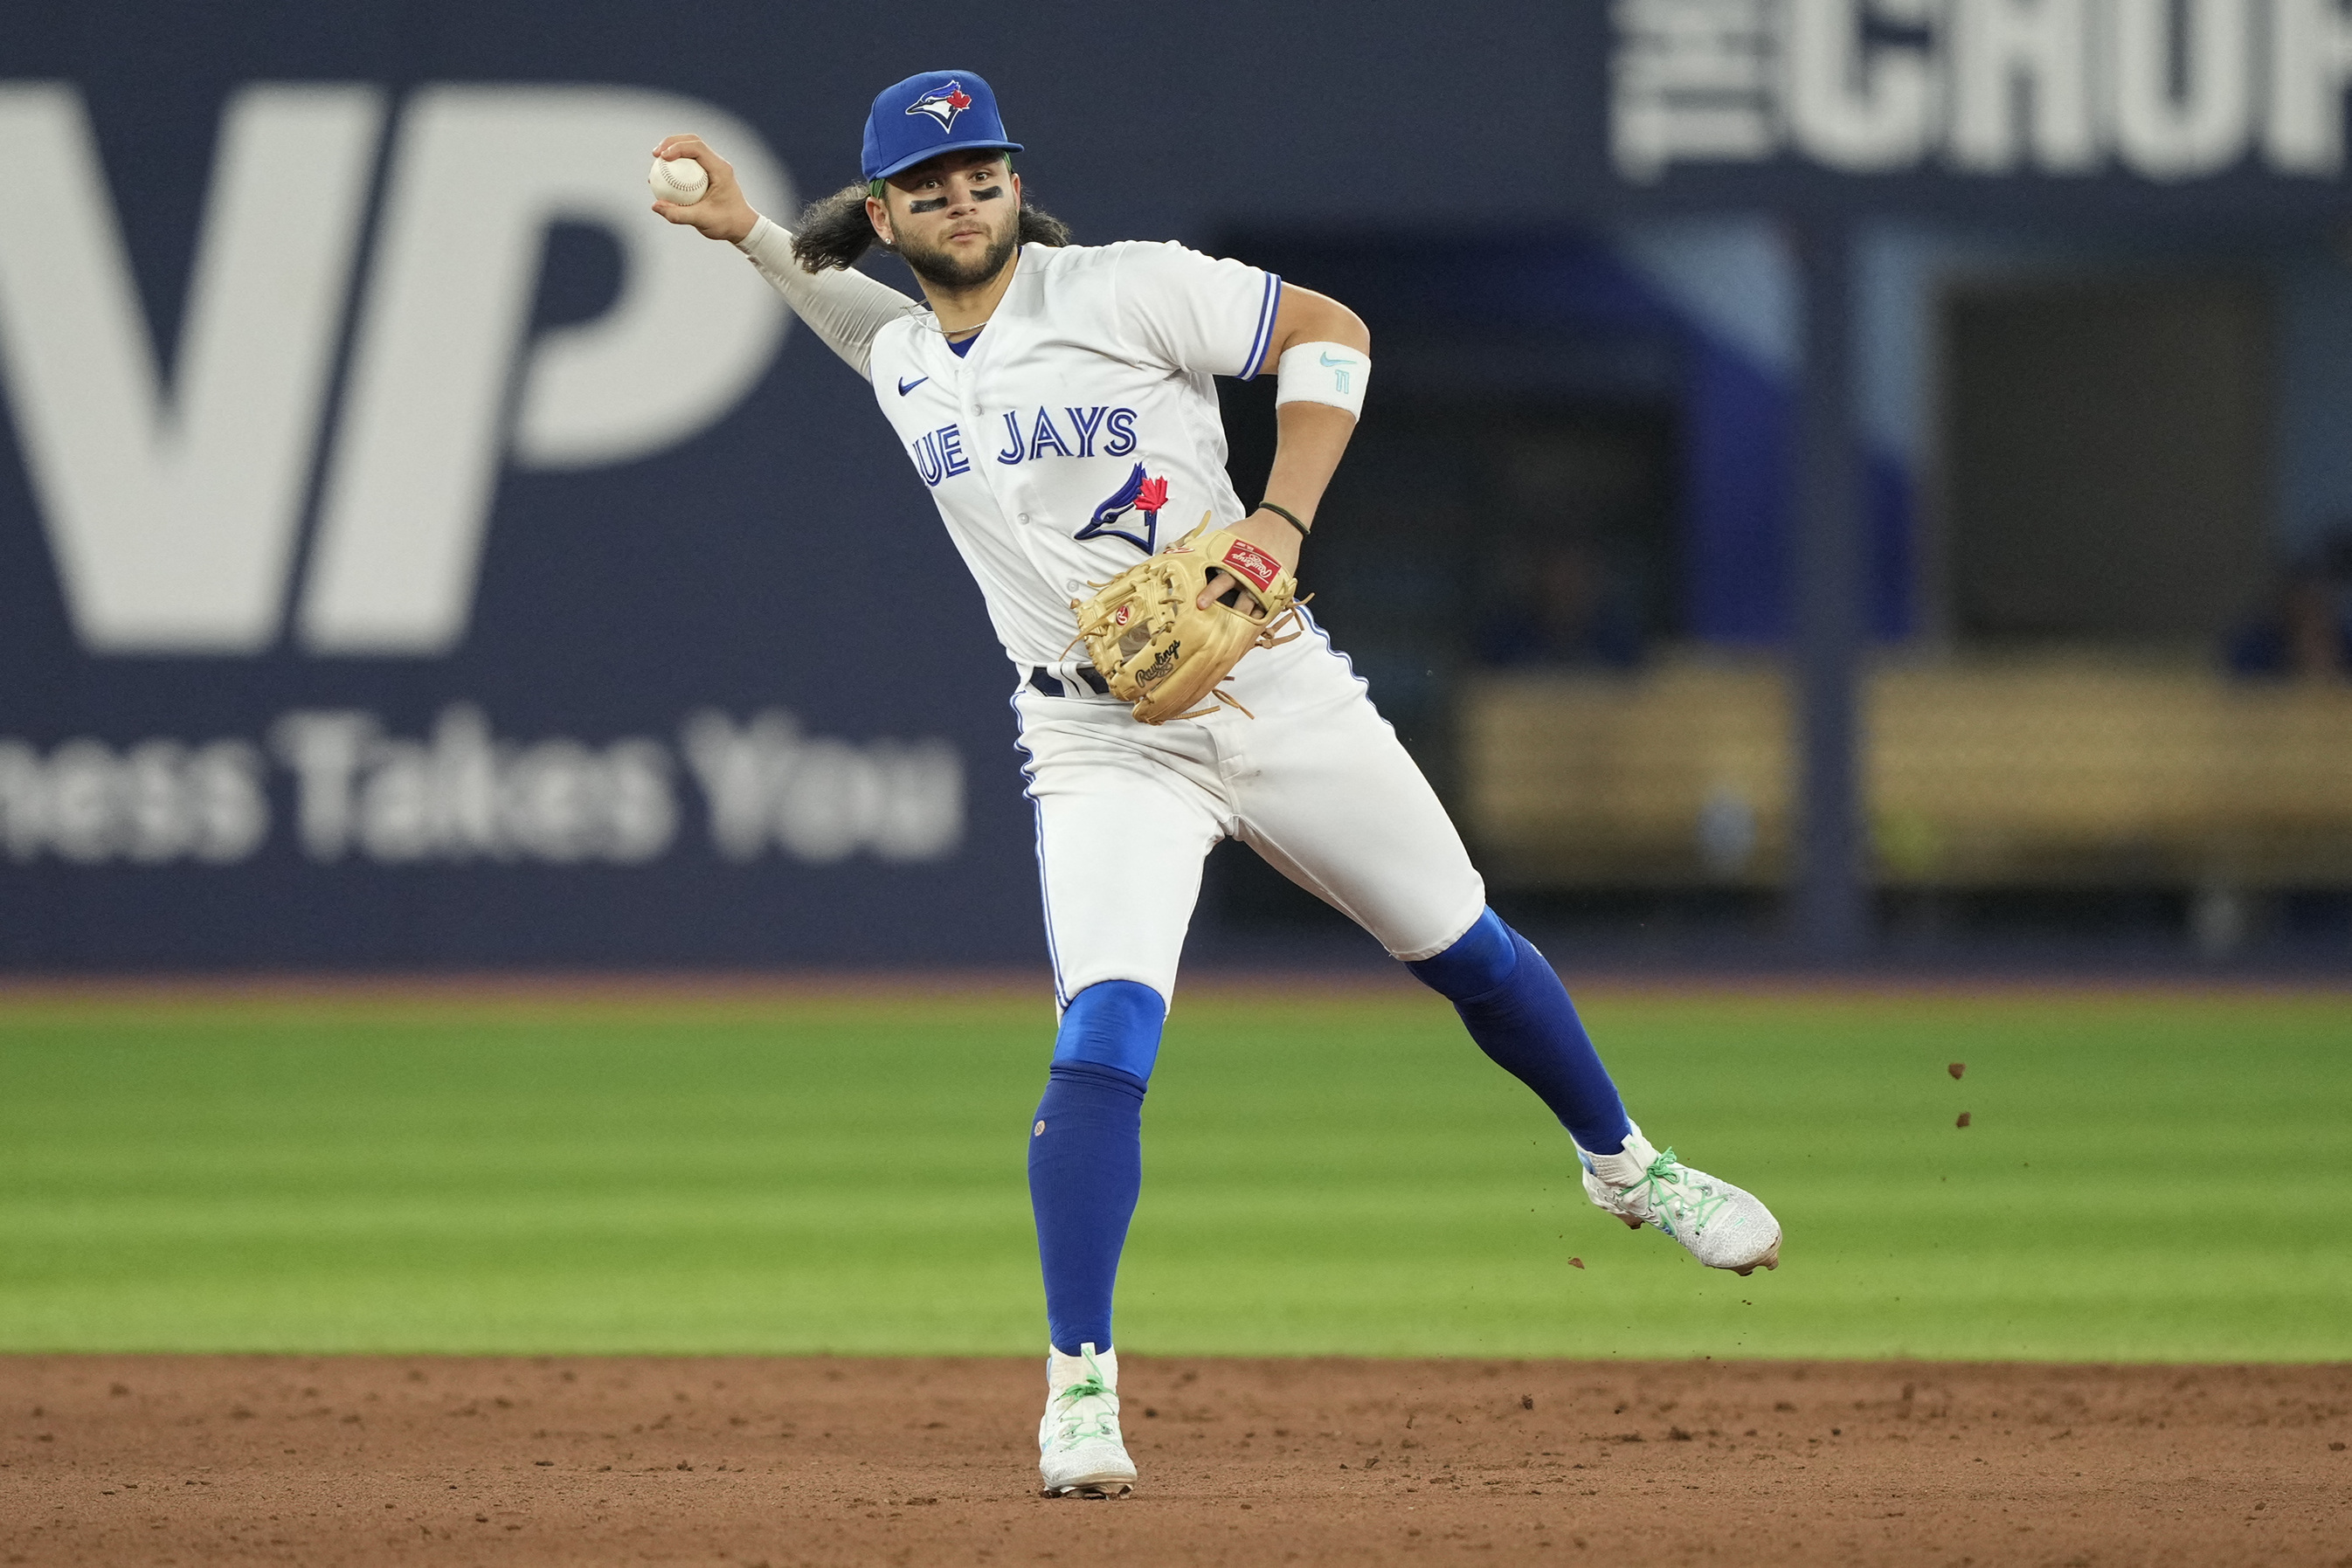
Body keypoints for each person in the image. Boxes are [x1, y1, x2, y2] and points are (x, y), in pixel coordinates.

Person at [652, 71, 1780, 1500]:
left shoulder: (1126, 289)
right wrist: (755, 233)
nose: (961, 197)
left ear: (1015, 180)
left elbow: (1333, 334)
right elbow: (865, 330)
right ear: (884, 213)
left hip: (1276, 684)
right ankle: (1079, 1389)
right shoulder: (911, 362)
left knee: (1465, 948)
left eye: (981, 171)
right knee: (1105, 1031)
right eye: (927, 186)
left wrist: (1277, 519)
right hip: (1098, 742)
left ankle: (1627, 1164)